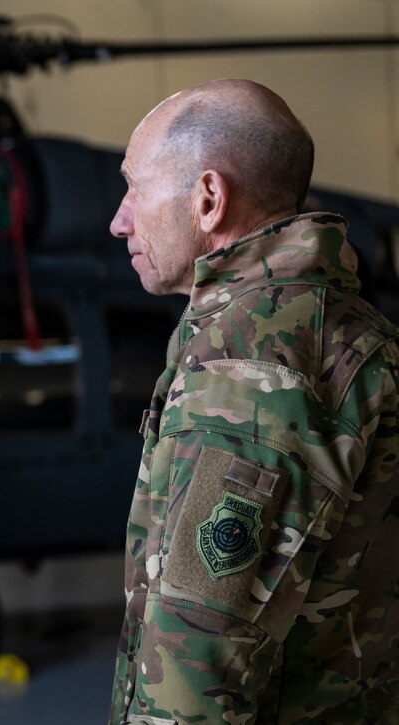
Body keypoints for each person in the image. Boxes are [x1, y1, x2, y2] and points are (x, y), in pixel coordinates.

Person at [108, 78, 399, 723]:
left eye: (133, 187)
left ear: (208, 198)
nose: (118, 219)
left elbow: (194, 670)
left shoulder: (249, 370)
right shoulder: (355, 331)